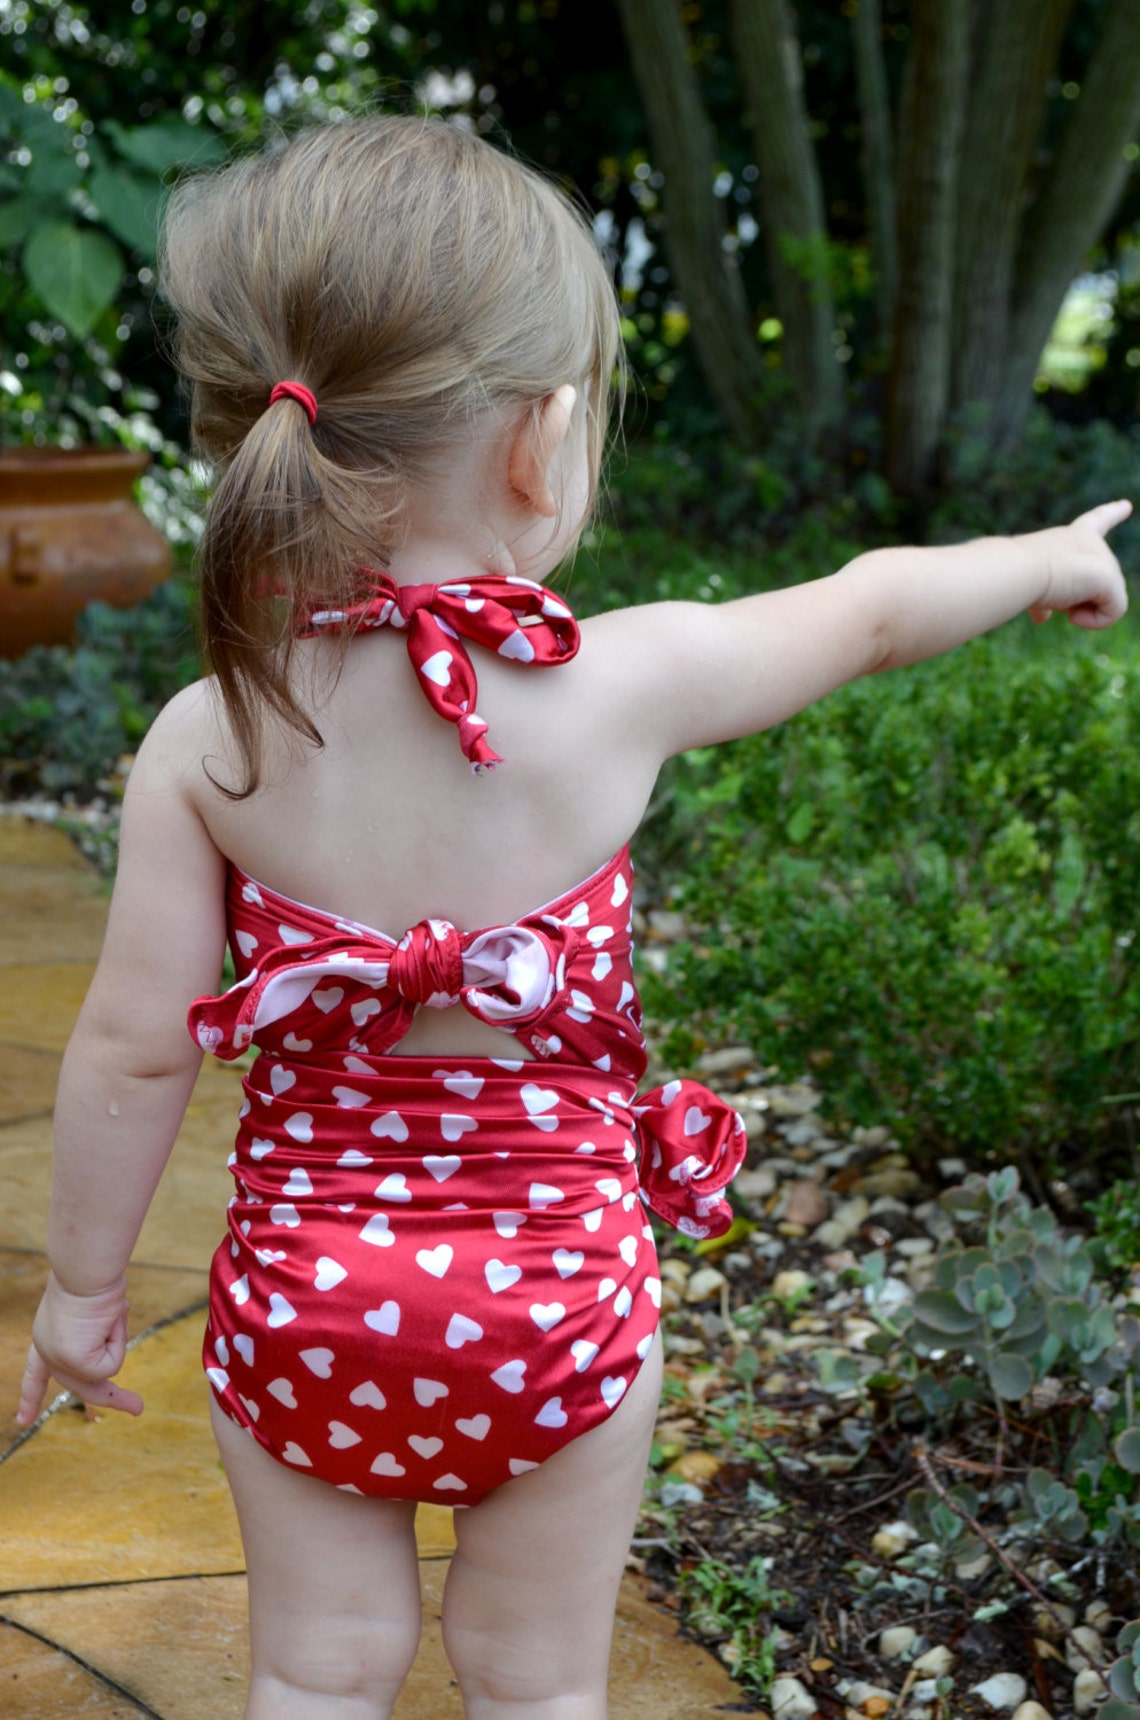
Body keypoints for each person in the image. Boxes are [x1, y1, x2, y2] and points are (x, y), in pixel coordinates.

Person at [16, 112, 1129, 1720]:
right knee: (536, 1685)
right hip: (555, 1306)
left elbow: (130, 1051)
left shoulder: (214, 735)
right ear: (543, 443)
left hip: (305, 1306)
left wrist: (83, 1294)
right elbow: (874, 613)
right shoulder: (619, 688)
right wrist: (1041, 558)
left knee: (317, 1673)